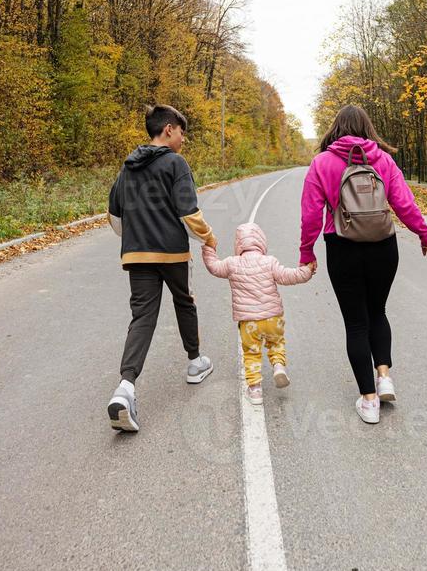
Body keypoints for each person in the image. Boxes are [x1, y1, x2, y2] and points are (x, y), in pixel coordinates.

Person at [299, 104, 427, 425]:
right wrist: (425, 235)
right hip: (383, 247)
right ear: (367, 128)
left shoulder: (322, 163)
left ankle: (369, 400)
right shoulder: (383, 159)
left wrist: (307, 252)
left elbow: (310, 215)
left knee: (355, 322)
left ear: (335, 128)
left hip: (342, 247)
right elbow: (404, 203)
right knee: (378, 311)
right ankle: (384, 375)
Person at [105, 105, 217, 433]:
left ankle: (125, 388)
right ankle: (195, 362)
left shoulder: (128, 167)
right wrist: (209, 238)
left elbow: (114, 216)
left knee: (142, 317)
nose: (183, 139)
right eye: (182, 132)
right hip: (171, 253)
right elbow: (188, 212)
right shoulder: (174, 162)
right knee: (184, 301)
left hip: (136, 254)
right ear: (168, 129)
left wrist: (137, 236)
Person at [201, 223, 315, 404]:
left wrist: (209, 248)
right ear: (261, 241)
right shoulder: (269, 262)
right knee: (276, 343)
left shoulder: (231, 263)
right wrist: (307, 270)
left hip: (248, 323)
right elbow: (289, 276)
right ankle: (278, 366)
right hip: (272, 318)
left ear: (238, 244)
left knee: (252, 353)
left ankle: (255, 390)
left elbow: (214, 266)